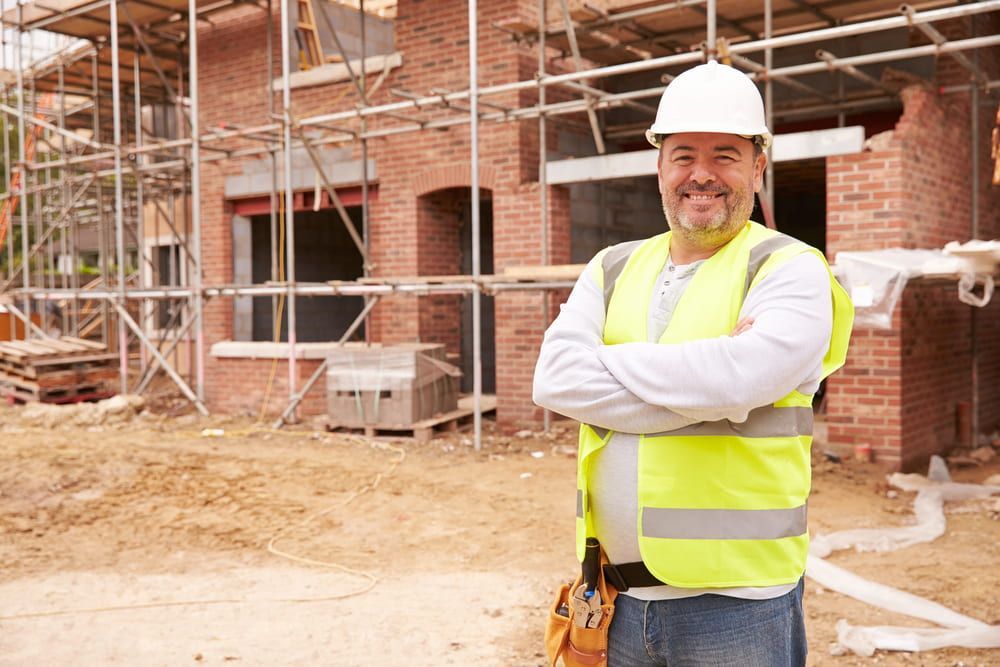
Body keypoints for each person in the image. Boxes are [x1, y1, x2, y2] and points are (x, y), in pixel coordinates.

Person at [533, 61, 854, 666]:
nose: (700, 175)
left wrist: (605, 363)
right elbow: (555, 379)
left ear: (758, 166)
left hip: (737, 606)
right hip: (614, 597)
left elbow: (741, 378)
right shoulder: (611, 266)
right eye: (682, 155)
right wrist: (712, 389)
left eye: (725, 155)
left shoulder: (789, 267)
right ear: (659, 165)